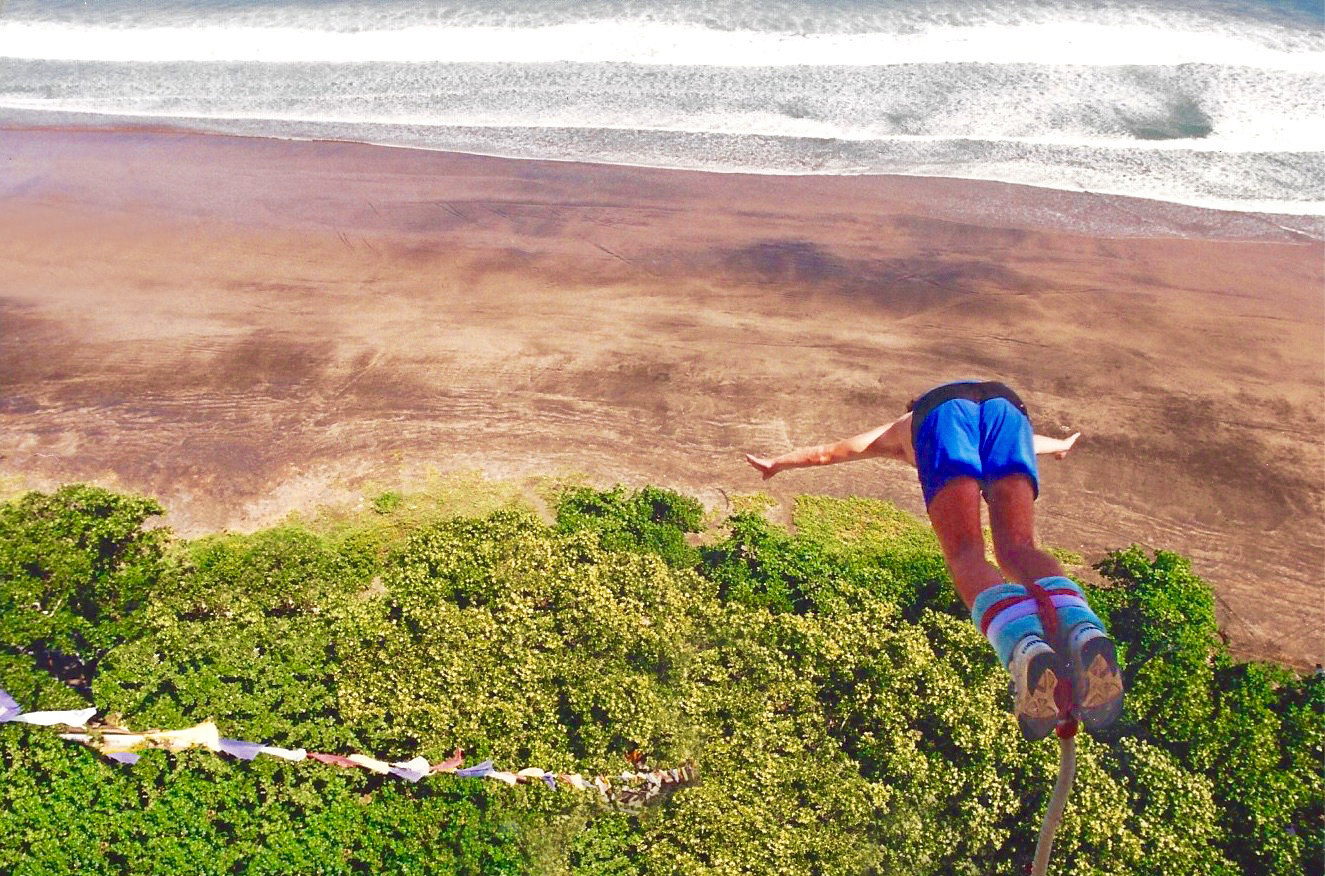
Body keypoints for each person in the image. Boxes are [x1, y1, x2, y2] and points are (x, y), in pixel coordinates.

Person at [745, 379, 1122, 740]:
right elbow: (1029, 443)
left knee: (966, 554)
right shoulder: (981, 414)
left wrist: (778, 462)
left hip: (942, 415)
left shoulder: (905, 429)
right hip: (1008, 409)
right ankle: (1084, 630)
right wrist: (1060, 445)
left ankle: (1024, 646)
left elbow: (829, 452)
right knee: (1019, 548)